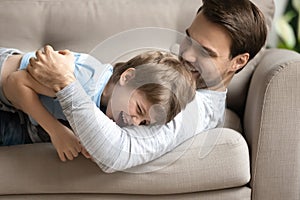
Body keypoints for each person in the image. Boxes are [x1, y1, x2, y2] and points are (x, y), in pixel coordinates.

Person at [26, 0, 267, 172]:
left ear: (238, 62)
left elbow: (115, 153)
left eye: (205, 52)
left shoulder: (191, 105)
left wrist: (64, 81)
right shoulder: (176, 77)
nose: (187, 55)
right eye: (188, 39)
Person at [0, 49, 195, 161]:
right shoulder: (82, 82)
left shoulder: (109, 101)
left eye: (144, 122)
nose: (135, 123)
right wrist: (56, 131)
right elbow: (14, 83)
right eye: (139, 110)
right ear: (127, 77)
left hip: (19, 112)